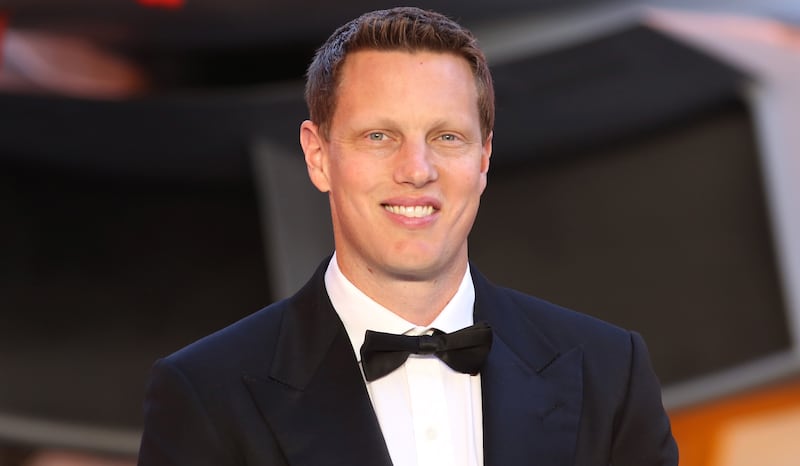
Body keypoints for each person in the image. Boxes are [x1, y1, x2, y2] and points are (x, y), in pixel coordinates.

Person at [137, 6, 678, 466]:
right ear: (318, 156)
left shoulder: (610, 371)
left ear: (484, 157)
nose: (416, 169)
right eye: (379, 136)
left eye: (446, 136)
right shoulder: (206, 391)